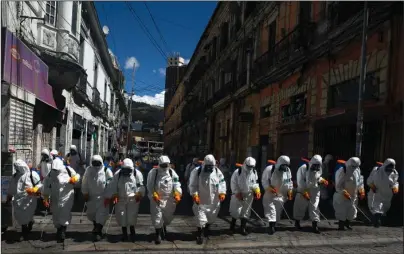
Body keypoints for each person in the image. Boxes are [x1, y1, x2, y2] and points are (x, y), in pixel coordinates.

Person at [189, 154, 226, 245]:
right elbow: (192, 185)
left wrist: (222, 192)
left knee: (211, 217)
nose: (210, 168)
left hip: (214, 200)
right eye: (208, 166)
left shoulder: (217, 172)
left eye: (211, 166)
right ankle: (200, 234)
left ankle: (207, 229)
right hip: (201, 200)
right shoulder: (196, 171)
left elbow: (222, 183)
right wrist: (195, 195)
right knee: (200, 218)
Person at [105, 158, 144, 242]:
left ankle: (132, 231)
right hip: (121, 199)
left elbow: (140, 185)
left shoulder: (137, 174)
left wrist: (139, 193)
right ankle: (124, 234)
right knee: (122, 216)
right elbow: (113, 185)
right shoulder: (117, 174)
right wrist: (114, 194)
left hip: (132, 199)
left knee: (132, 216)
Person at [42, 159, 80, 242]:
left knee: (64, 212)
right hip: (55, 197)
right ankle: (59, 228)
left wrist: (74, 179)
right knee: (55, 213)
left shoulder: (68, 170)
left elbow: (77, 176)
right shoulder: (50, 174)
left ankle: (63, 230)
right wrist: (45, 198)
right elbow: (46, 186)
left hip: (67, 196)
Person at [147, 155, 182, 244]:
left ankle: (163, 227)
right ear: (159, 164)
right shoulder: (153, 172)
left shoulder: (171, 172)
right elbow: (149, 185)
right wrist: (153, 194)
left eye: (166, 165)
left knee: (168, 217)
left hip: (169, 199)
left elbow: (176, 183)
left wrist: (177, 193)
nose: (164, 167)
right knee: (157, 217)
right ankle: (158, 234)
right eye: (162, 165)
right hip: (157, 199)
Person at [6, 159, 42, 241]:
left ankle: (24, 232)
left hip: (30, 199)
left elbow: (40, 185)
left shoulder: (32, 174)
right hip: (18, 200)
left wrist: (34, 189)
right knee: (20, 216)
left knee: (28, 214)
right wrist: (9, 197)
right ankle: (26, 226)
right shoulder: (15, 176)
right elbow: (11, 188)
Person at [293, 155, 329, 233]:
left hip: (315, 190)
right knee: (300, 206)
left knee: (315, 207)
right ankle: (297, 223)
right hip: (303, 190)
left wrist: (322, 180)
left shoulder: (319, 168)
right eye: (315, 165)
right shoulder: (303, 168)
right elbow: (300, 181)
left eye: (318, 165)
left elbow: (318, 177)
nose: (316, 167)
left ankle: (314, 225)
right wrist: (304, 191)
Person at [81, 155, 114, 241]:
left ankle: (98, 231)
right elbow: (84, 181)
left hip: (103, 197)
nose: (96, 164)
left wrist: (108, 196)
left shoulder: (107, 171)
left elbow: (111, 185)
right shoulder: (88, 170)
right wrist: (85, 193)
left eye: (97, 162)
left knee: (101, 215)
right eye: (94, 162)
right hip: (91, 197)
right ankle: (96, 226)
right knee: (91, 214)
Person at [261, 155, 293, 235]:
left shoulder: (288, 171)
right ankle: (271, 227)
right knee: (271, 211)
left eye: (287, 165)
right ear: (280, 163)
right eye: (284, 165)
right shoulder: (270, 169)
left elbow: (289, 182)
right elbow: (264, 180)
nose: (285, 167)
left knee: (278, 212)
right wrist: (268, 188)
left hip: (281, 195)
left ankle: (273, 225)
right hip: (270, 195)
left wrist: (290, 191)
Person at [229, 157, 260, 235]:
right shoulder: (238, 172)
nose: (250, 168)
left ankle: (242, 228)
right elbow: (233, 183)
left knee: (246, 212)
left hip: (249, 195)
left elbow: (254, 183)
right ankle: (232, 227)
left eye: (251, 167)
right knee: (236, 211)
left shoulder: (254, 172)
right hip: (238, 195)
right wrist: (237, 192)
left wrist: (257, 190)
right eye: (249, 166)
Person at [333, 157, 365, 230]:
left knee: (352, 210)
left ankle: (347, 224)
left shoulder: (357, 170)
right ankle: (341, 225)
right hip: (342, 195)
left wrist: (361, 190)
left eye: (356, 166)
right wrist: (343, 192)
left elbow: (360, 181)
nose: (355, 168)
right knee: (342, 210)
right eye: (353, 166)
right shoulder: (342, 171)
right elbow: (338, 185)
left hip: (353, 194)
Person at [367, 158, 399, 227]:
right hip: (377, 193)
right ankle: (376, 221)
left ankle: (379, 221)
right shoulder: (376, 170)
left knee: (384, 208)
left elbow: (395, 182)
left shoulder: (394, 173)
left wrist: (395, 187)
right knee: (376, 207)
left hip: (387, 194)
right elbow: (369, 180)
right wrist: (372, 186)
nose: (390, 169)